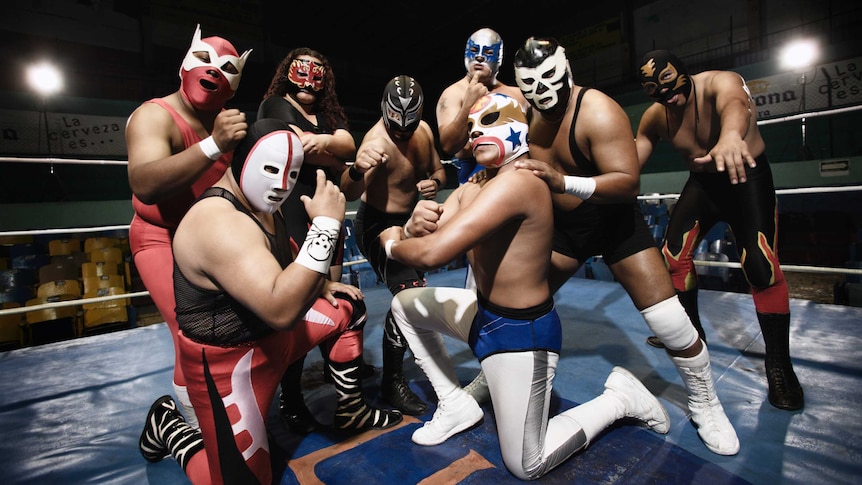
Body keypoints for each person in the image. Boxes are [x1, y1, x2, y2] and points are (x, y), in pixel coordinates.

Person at [464, 36, 739, 455]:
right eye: (531, 86)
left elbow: (628, 182)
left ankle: (706, 401)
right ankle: (496, 373)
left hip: (613, 220)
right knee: (505, 303)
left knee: (669, 320)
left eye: (548, 80)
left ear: (566, 70)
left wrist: (562, 181)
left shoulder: (597, 109)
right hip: (562, 227)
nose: (542, 93)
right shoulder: (527, 114)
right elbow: (506, 152)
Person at [380, 93, 670, 481]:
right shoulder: (480, 185)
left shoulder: (519, 183)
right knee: (406, 306)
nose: (477, 133)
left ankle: (620, 399)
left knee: (527, 463)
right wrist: (415, 221)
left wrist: (391, 241)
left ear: (520, 128)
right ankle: (454, 405)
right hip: (482, 315)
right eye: (472, 128)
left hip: (520, 336)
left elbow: (433, 253)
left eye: (490, 122)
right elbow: (433, 228)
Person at [138, 118, 402, 485]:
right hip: (233, 366)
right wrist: (326, 225)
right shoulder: (218, 221)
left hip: (277, 341)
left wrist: (321, 286)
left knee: (348, 306)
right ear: (240, 161)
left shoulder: (260, 199)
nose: (282, 185)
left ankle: (351, 410)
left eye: (291, 174)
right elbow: (280, 309)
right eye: (271, 169)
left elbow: (284, 252)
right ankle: (170, 427)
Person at [634, 49, 804, 411]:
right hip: (704, 185)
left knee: (761, 267)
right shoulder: (655, 117)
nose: (666, 95)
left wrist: (729, 137)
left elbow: (735, 105)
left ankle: (779, 364)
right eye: (654, 89)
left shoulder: (718, 82)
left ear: (684, 71)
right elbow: (632, 160)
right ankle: (690, 333)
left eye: (669, 83)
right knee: (673, 257)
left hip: (747, 177)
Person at [126, 24, 252, 430]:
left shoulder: (224, 126)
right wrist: (213, 145)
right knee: (192, 337)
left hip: (209, 243)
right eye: (204, 59)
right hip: (160, 238)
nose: (214, 70)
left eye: (227, 67)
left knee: (243, 324)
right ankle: (191, 425)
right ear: (185, 65)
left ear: (233, 87)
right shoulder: (153, 115)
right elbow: (145, 183)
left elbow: (243, 195)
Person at [257, 47, 366, 434]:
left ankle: (343, 385)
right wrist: (334, 150)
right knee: (301, 301)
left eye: (317, 73)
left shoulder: (329, 116)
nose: (309, 80)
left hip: (329, 211)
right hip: (291, 212)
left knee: (333, 297)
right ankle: (290, 395)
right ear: (288, 72)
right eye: (302, 71)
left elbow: (349, 148)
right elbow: (301, 148)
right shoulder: (274, 104)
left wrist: (334, 148)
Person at [340, 75, 446, 415]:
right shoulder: (376, 142)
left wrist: (434, 182)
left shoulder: (424, 132)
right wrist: (357, 169)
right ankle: (392, 381)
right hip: (376, 225)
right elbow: (349, 192)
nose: (401, 134)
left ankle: (401, 361)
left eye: (407, 128)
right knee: (409, 292)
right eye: (395, 128)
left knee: (415, 294)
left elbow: (440, 170)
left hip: (410, 223)